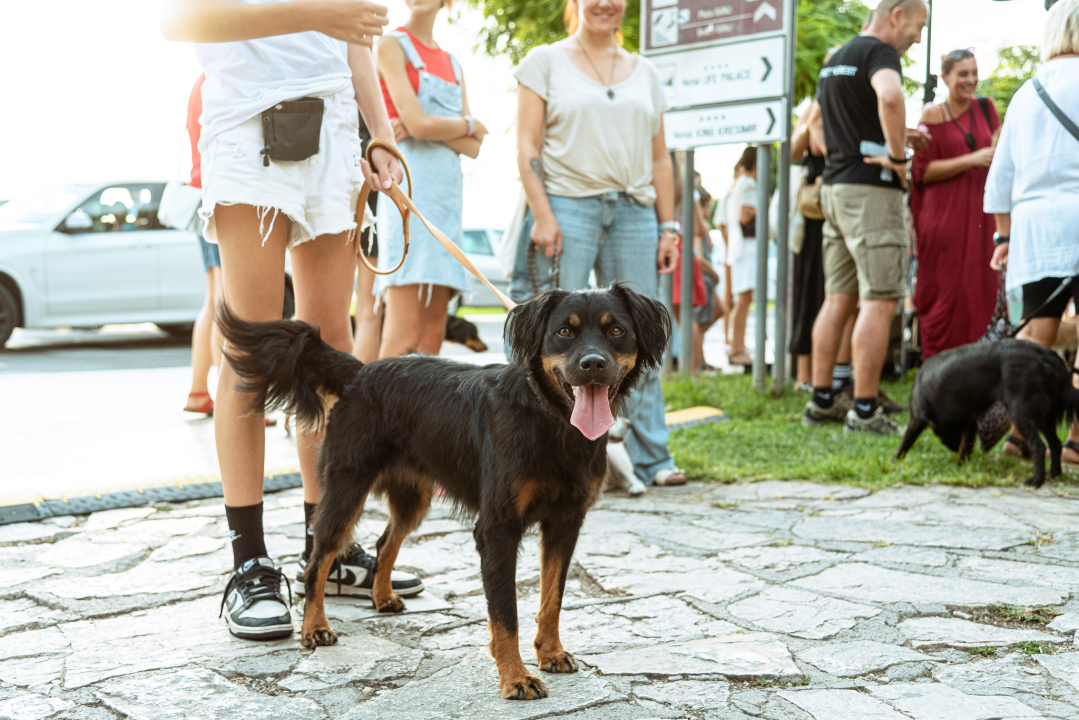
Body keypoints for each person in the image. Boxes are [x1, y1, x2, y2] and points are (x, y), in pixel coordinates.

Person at [161, 0, 423, 641]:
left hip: (334, 132)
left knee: (329, 347)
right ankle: (248, 562)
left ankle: (325, 549)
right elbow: (180, 23)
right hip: (247, 123)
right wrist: (317, 15)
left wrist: (380, 131)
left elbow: (354, 36)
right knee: (252, 347)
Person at [511, 0, 684, 487]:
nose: (605, 3)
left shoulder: (645, 71)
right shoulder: (544, 61)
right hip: (567, 204)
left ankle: (652, 458)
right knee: (547, 340)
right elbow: (527, 146)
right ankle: (533, 456)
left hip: (634, 208)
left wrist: (668, 226)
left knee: (639, 336)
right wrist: (542, 215)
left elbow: (660, 157)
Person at [803, 0, 928, 435]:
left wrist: (889, 136)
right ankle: (864, 409)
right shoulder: (880, 52)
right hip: (872, 191)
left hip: (835, 188)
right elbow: (890, 96)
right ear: (896, 15)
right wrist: (898, 156)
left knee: (837, 298)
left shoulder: (836, 58)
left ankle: (821, 401)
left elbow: (823, 123)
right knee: (880, 299)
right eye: (917, 26)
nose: (917, 37)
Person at [985, 0, 1079, 461]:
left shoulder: (1027, 93)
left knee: (1036, 334)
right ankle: (1077, 441)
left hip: (1038, 229)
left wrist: (1003, 237)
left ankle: (1020, 436)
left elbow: (1000, 178)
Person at [374, 0, 487, 359]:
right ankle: (378, 415)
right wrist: (468, 124)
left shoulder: (453, 62)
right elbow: (424, 125)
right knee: (403, 332)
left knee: (433, 333)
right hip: (407, 189)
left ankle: (423, 417)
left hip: (446, 200)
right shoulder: (391, 45)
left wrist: (426, 127)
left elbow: (472, 149)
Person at [911, 50, 1000, 359]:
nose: (971, 80)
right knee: (945, 290)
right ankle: (938, 366)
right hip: (944, 215)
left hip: (981, 213)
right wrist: (971, 160)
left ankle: (979, 367)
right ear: (946, 77)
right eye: (963, 74)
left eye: (974, 72)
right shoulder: (932, 115)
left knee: (981, 290)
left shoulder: (988, 109)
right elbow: (922, 172)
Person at [182, 74, 223, 417]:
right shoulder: (220, 74)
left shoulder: (199, 81)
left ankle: (199, 390)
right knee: (226, 302)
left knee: (213, 299)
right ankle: (230, 392)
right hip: (219, 195)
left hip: (200, 192)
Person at [723, 147, 759, 368]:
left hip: (740, 249)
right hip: (746, 249)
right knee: (743, 300)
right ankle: (737, 349)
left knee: (743, 299)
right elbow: (745, 215)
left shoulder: (739, 183)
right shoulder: (749, 183)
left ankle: (739, 346)